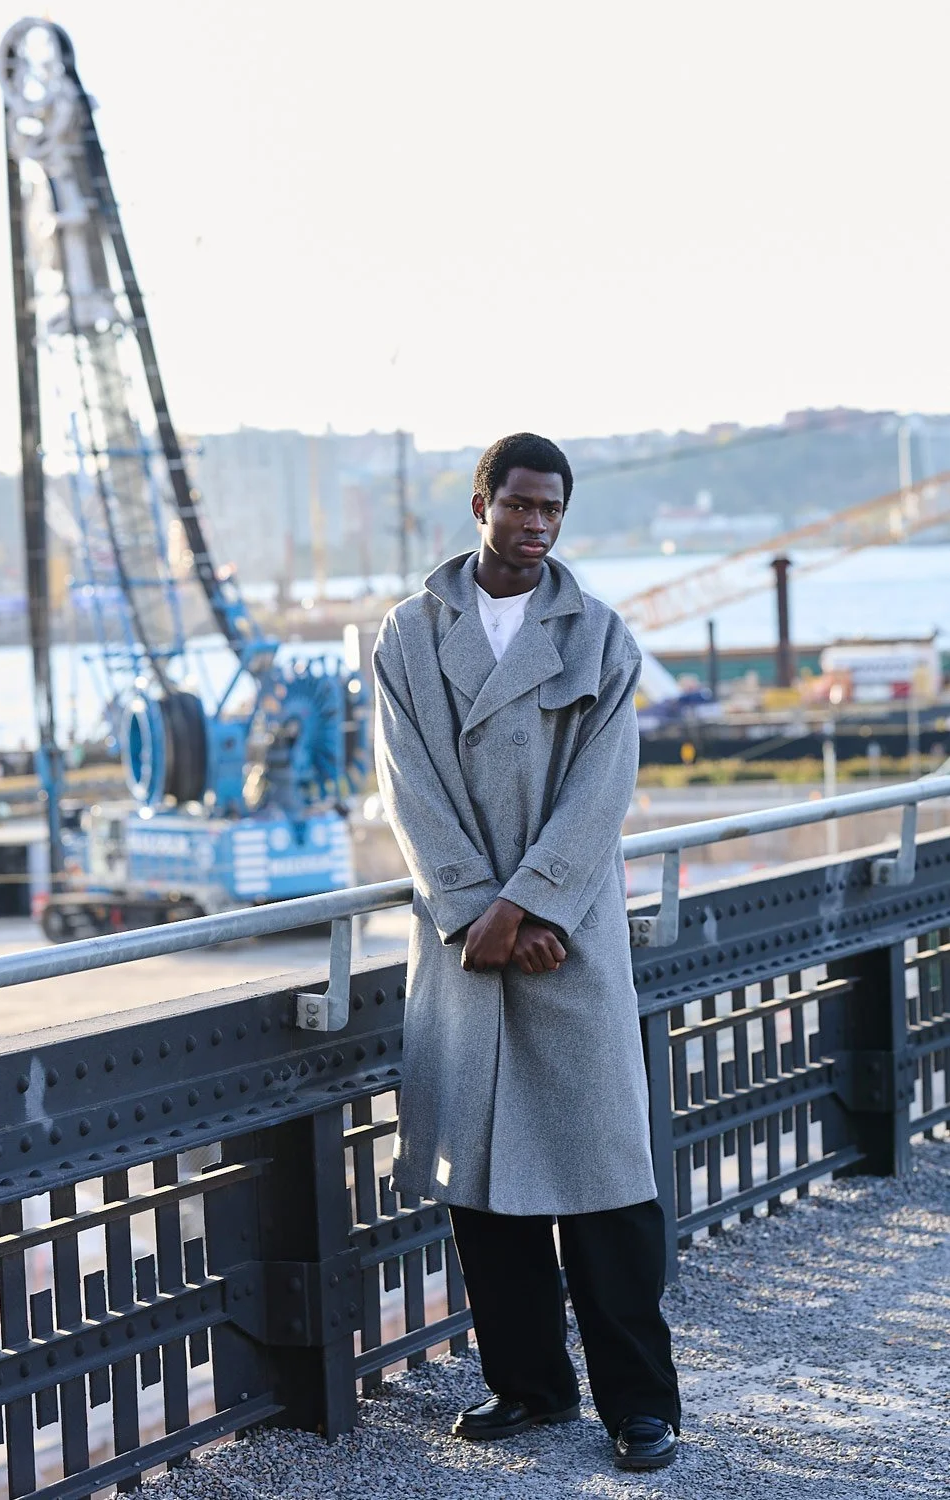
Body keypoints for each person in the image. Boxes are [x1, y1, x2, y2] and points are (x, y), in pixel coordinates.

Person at [372, 432, 681, 1471]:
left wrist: (532, 905)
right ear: (481, 507)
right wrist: (477, 912)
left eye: (552, 509)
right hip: (471, 942)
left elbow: (605, 789)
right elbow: (405, 781)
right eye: (519, 506)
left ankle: (642, 1405)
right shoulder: (411, 634)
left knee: (606, 1184)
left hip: (566, 936)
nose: (537, 525)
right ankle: (530, 1388)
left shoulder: (597, 634)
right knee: (487, 1187)